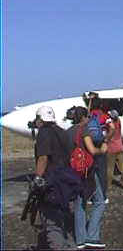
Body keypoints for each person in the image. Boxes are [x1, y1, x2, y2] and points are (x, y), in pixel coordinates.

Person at [33, 106, 81, 250]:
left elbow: (43, 158)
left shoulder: (44, 133)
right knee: (64, 221)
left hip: (52, 181)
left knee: (52, 223)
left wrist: (37, 178)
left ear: (40, 119)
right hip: (66, 179)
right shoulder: (62, 132)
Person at [68, 106, 108, 249]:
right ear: (85, 117)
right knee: (100, 201)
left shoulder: (68, 132)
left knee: (80, 205)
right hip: (87, 171)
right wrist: (102, 149)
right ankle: (92, 236)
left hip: (73, 172)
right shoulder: (84, 130)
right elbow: (91, 149)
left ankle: (80, 240)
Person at [89, 96, 115, 202]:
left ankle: (91, 195)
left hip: (90, 143)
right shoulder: (104, 116)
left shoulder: (89, 115)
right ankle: (103, 196)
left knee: (90, 170)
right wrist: (106, 140)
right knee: (102, 170)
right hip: (101, 143)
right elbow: (112, 128)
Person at [106, 109, 123, 189]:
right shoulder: (119, 121)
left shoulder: (110, 123)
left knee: (110, 168)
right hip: (120, 146)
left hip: (111, 147)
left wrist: (106, 139)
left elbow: (110, 130)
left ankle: (108, 184)